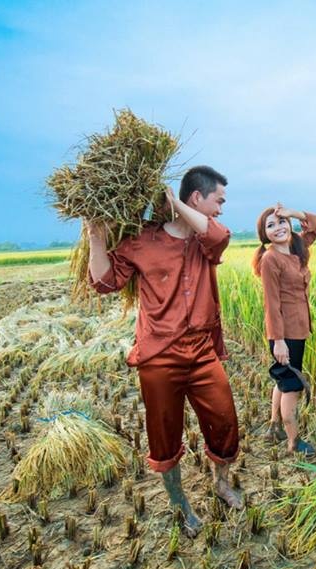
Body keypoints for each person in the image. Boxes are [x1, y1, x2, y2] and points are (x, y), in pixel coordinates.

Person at [85, 165, 242, 537]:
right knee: (164, 435)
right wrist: (95, 237)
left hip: (203, 351)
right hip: (158, 357)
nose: (221, 208)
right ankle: (179, 503)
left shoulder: (206, 243)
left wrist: (173, 203)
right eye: (218, 201)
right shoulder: (142, 241)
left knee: (224, 422)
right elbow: (105, 282)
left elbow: (218, 235)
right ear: (196, 198)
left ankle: (220, 482)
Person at [252, 203, 316, 456]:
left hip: (297, 329)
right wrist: (278, 341)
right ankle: (294, 442)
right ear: (264, 234)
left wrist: (291, 212)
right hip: (285, 334)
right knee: (292, 386)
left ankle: (274, 426)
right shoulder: (271, 260)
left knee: (283, 379)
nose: (278, 227)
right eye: (270, 225)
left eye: (281, 222)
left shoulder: (297, 248)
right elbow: (271, 304)